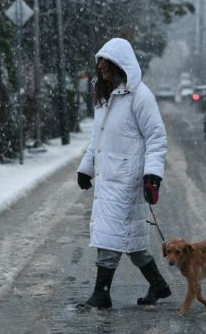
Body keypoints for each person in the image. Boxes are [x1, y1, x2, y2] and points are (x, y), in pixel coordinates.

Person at [76, 37, 171, 309]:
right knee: (131, 239)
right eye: (100, 64)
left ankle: (101, 293)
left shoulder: (140, 97)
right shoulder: (105, 98)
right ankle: (158, 284)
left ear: (120, 65)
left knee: (111, 233)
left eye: (106, 64)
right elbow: (98, 140)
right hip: (109, 179)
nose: (101, 69)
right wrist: (86, 168)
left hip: (128, 181)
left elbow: (156, 137)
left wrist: (153, 176)